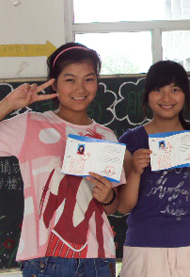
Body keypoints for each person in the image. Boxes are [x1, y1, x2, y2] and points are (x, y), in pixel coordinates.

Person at [0, 42, 121, 276]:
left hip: (98, 259)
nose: (80, 88)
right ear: (54, 83)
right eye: (70, 79)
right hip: (45, 258)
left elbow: (111, 207)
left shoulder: (106, 136)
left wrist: (108, 197)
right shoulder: (30, 124)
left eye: (89, 79)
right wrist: (9, 104)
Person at [118, 60, 190, 277]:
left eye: (175, 90)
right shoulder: (132, 141)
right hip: (144, 247)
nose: (166, 98)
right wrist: (135, 172)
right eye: (158, 90)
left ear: (185, 95)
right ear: (147, 95)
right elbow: (124, 206)